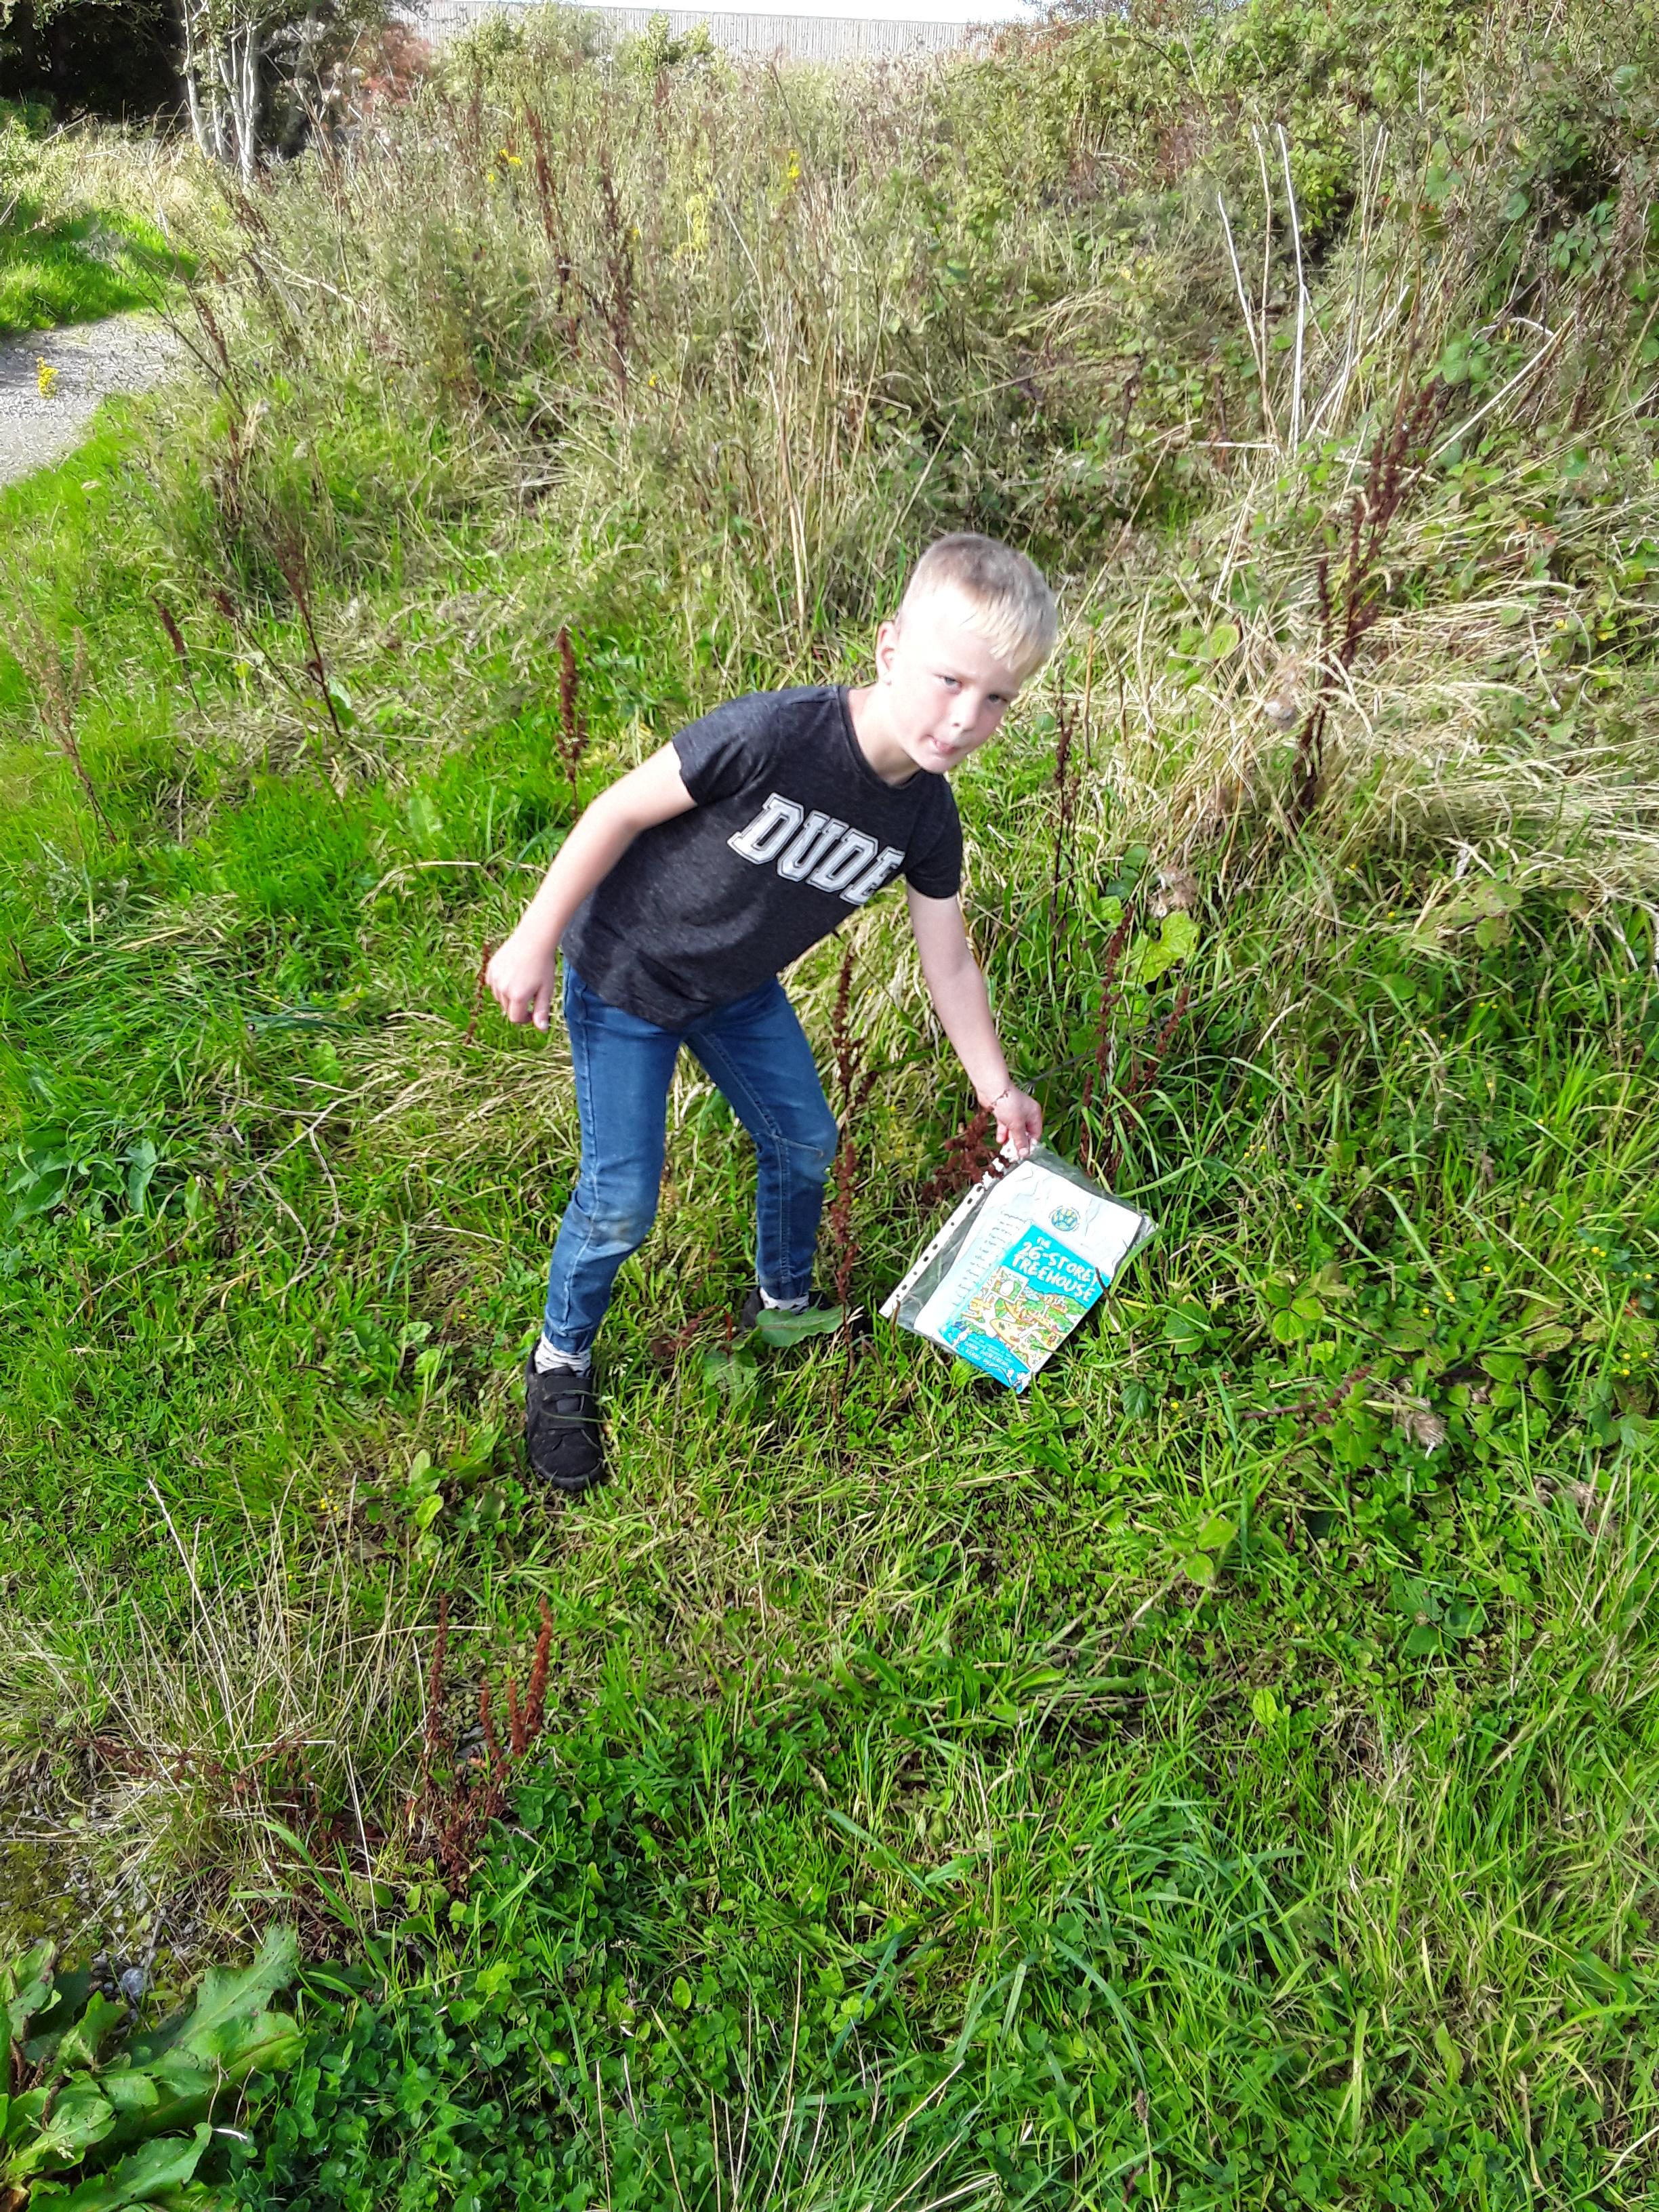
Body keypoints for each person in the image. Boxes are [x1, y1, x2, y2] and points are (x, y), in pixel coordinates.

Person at [486, 532, 1059, 1491]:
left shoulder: (927, 818)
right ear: (889, 648)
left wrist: (997, 1088)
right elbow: (617, 809)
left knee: (805, 1141)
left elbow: (950, 959)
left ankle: (783, 1303)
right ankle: (560, 1361)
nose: (967, 718)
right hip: (629, 975)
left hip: (735, 990)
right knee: (621, 1199)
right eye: (950, 680)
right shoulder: (776, 734)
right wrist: (533, 937)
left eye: (997, 698)